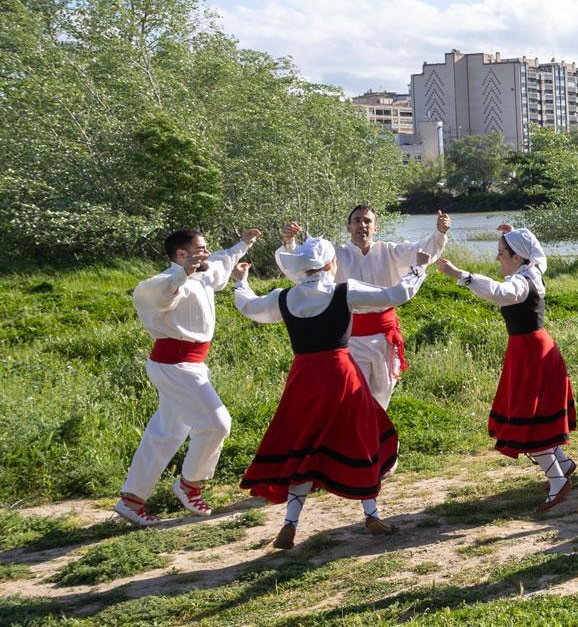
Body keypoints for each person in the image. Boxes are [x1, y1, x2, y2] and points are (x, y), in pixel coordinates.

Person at [233, 231, 426, 549]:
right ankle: (372, 515)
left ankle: (291, 523)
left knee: (304, 446)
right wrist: (417, 267)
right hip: (340, 374)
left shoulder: (286, 297)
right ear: (331, 263)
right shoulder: (343, 292)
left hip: (304, 378)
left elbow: (250, 306)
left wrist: (242, 280)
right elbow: (395, 294)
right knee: (360, 438)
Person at [114, 227, 261, 527]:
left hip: (190, 365)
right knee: (217, 424)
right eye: (200, 249)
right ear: (181, 255)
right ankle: (189, 485)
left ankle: (131, 500)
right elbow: (157, 296)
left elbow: (223, 259)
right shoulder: (163, 283)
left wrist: (244, 243)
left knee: (165, 433)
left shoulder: (205, 274)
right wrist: (182, 274)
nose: (207, 254)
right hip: (174, 366)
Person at [435, 225, 578, 510]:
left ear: (516, 258)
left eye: (502, 253)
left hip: (530, 353)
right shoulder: (533, 269)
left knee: (526, 415)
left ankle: (557, 481)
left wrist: (461, 275)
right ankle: (562, 462)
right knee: (534, 411)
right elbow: (537, 253)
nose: (497, 258)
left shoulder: (521, 283)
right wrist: (517, 234)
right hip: (534, 348)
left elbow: (500, 293)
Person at [331, 205, 450, 410]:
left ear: (376, 228)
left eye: (368, 221)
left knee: (381, 395)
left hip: (384, 337)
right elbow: (307, 263)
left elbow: (421, 249)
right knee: (355, 396)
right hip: (351, 338)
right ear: (348, 227)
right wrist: (290, 244)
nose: (362, 225)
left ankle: (378, 438)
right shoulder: (336, 254)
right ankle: (357, 438)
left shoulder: (388, 251)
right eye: (357, 220)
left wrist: (439, 233)